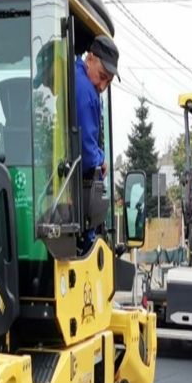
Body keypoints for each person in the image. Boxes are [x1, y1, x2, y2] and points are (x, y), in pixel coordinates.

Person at [76, 35, 118, 245]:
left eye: (108, 82)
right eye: (101, 76)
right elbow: (87, 151)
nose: (102, 86)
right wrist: (101, 160)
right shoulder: (85, 91)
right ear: (90, 58)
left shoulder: (73, 75)